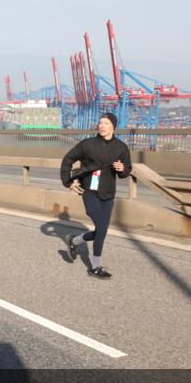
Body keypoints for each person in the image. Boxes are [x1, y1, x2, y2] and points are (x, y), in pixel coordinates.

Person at [59, 112, 132, 278]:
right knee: (102, 227)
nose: (102, 126)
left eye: (106, 123)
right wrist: (68, 181)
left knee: (102, 230)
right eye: (100, 123)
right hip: (89, 191)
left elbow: (126, 170)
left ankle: (74, 241)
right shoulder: (88, 144)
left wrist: (123, 169)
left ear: (113, 126)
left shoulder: (121, 147)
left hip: (108, 193)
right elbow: (68, 159)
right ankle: (95, 267)